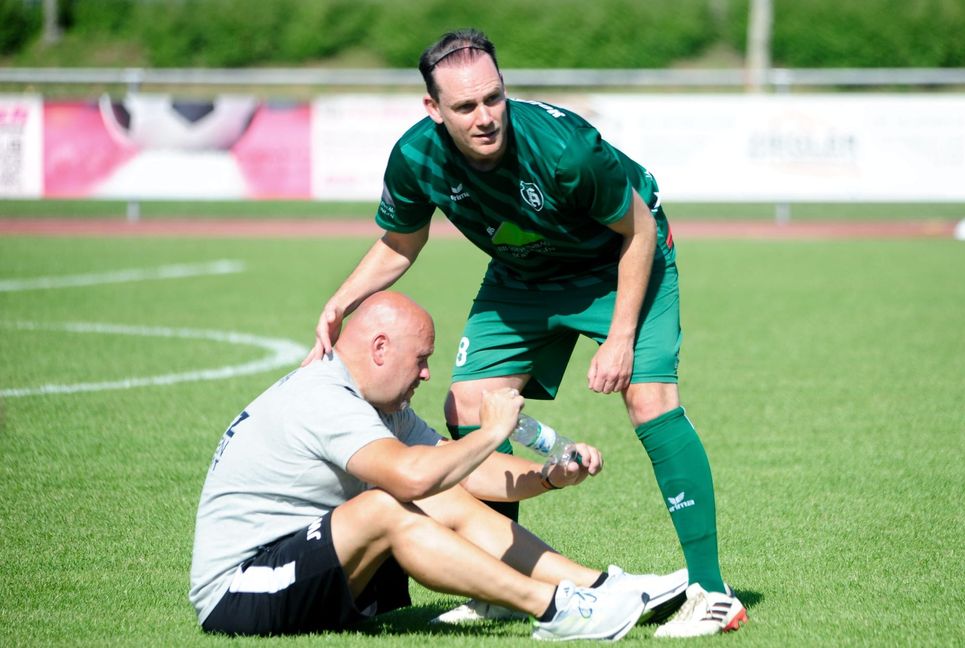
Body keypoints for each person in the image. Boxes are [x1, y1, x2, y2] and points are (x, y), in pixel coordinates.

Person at [303, 30, 747, 638]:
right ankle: (500, 586)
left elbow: (638, 231)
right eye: (465, 107)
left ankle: (712, 592)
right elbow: (402, 242)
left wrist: (619, 338)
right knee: (466, 400)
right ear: (433, 110)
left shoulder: (565, 149)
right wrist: (338, 302)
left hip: (617, 259)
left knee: (649, 400)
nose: (485, 117)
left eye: (494, 98)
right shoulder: (416, 157)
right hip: (524, 271)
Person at [190, 290, 689, 640]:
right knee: (387, 504)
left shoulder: (377, 406)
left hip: (302, 566)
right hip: (241, 590)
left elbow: (466, 478)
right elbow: (411, 477)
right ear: (380, 348)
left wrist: (547, 477)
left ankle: (597, 587)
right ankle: (554, 608)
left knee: (439, 492)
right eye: (421, 359)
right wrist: (492, 431)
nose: (427, 373)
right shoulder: (323, 396)